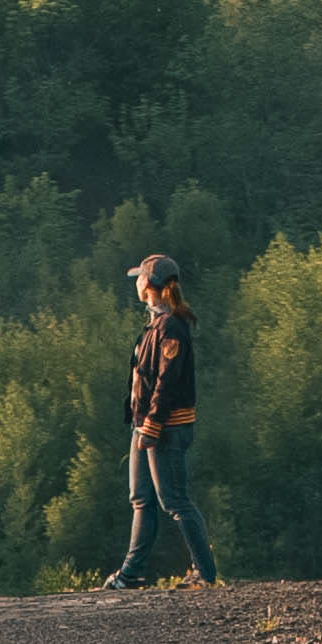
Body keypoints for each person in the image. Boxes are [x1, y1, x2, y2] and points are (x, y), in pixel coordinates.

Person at [99, 251, 220, 589]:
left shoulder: (171, 327)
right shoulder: (157, 324)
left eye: (140, 277)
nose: (136, 283)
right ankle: (131, 573)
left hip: (165, 427)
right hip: (146, 425)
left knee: (175, 501)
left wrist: (151, 426)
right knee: (142, 499)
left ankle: (205, 573)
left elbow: (166, 382)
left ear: (149, 284)